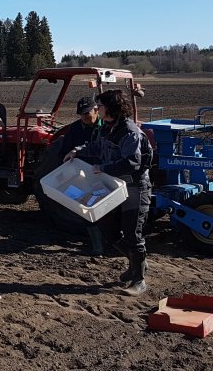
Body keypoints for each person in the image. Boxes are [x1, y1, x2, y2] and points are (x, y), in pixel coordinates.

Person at [64, 90, 151, 296]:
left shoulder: (129, 132)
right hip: (111, 187)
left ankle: (139, 280)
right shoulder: (106, 129)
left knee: (132, 233)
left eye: (100, 106)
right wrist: (77, 151)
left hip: (134, 187)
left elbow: (132, 162)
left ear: (110, 108)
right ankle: (135, 261)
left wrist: (104, 168)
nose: (97, 109)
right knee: (108, 229)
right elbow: (96, 147)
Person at [58, 96, 104, 256]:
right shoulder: (75, 129)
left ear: (96, 110)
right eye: (81, 114)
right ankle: (97, 246)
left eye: (87, 113)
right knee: (88, 207)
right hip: (84, 175)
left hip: (106, 172)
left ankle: (112, 241)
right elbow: (64, 152)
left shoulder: (106, 126)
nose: (84, 117)